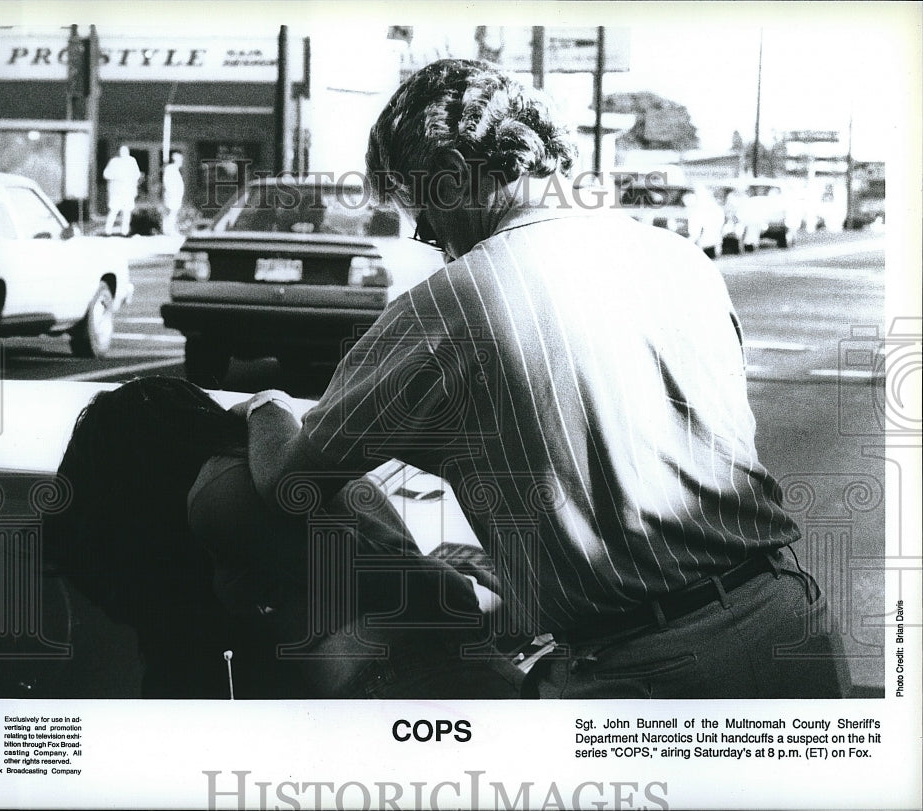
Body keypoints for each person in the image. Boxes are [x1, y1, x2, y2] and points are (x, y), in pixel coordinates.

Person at [237, 58, 849, 699]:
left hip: (649, 672)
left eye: (422, 218)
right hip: (790, 622)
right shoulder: (681, 259)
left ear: (449, 178)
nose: (431, 240)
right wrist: (533, 576)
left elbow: (291, 484)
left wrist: (266, 408)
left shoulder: (451, 306)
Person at [44, 376, 520, 699]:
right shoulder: (270, 473)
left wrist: (462, 593)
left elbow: (411, 585)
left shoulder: (222, 497)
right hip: (436, 686)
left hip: (400, 690)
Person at [102, 145, 141, 236]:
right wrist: (116, 177)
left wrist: (133, 187)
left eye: (125, 151)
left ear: (128, 152)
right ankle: (108, 231)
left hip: (127, 190)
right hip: (116, 191)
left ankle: (125, 232)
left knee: (126, 211)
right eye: (121, 151)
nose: (123, 153)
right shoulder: (114, 161)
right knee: (114, 210)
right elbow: (106, 174)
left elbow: (136, 175)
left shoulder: (132, 161)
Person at [162, 151, 185, 235]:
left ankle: (169, 229)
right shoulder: (170, 169)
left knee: (173, 213)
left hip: (175, 195)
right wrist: (171, 193)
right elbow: (167, 182)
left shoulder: (175, 170)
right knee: (171, 213)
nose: (181, 162)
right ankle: (169, 230)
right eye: (180, 160)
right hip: (172, 195)